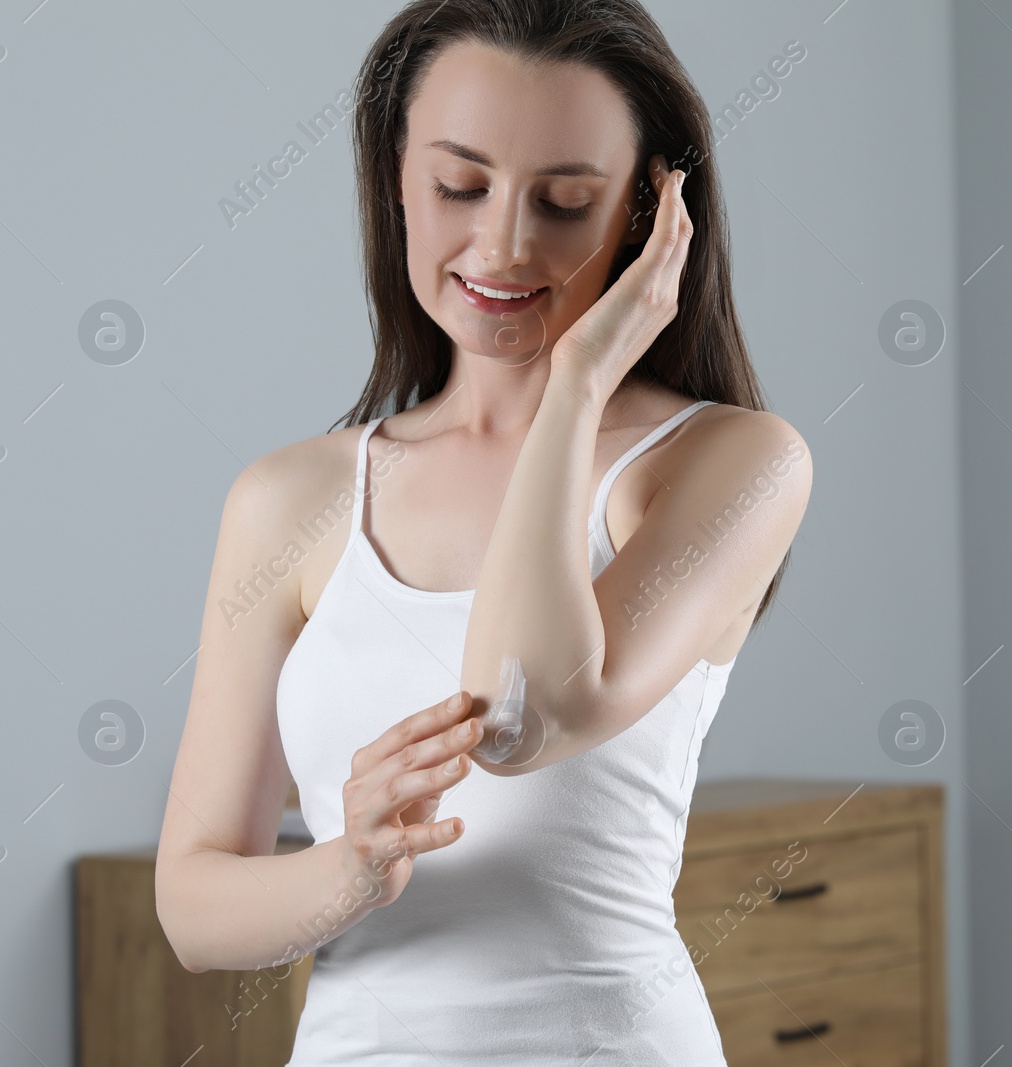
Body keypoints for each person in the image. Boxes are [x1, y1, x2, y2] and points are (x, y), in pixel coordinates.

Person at [153, 1, 812, 1063]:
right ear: (395, 182)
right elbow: (192, 906)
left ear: (647, 219)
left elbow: (526, 709)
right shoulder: (290, 499)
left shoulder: (731, 462)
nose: (503, 242)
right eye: (460, 185)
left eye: (564, 202)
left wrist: (576, 387)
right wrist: (351, 869)